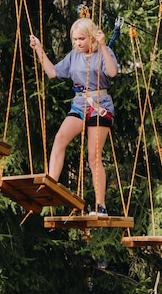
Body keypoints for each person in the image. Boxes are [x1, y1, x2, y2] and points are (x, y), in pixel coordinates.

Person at [29, 18, 118, 216]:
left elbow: (112, 72)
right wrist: (39, 49)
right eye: (75, 39)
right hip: (80, 104)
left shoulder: (103, 52)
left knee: (93, 156)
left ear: (91, 37)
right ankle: (50, 184)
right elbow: (52, 73)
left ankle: (100, 206)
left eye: (81, 39)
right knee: (60, 139)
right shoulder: (74, 56)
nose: (78, 43)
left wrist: (103, 45)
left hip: (99, 106)